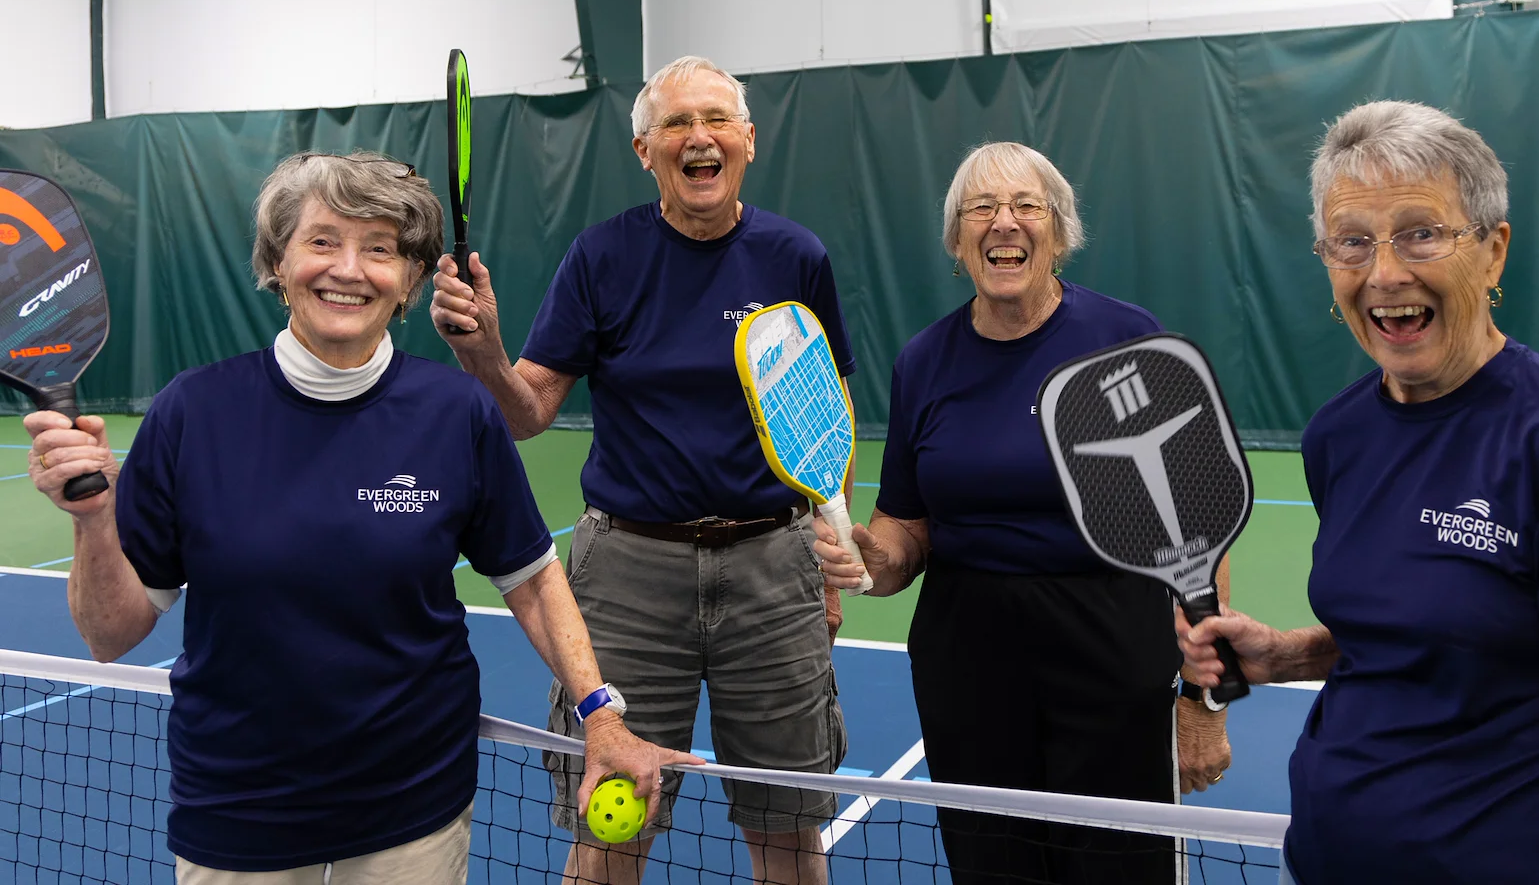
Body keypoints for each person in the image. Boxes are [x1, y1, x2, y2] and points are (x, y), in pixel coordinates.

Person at [26, 151, 683, 885]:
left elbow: (531, 581)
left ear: (407, 280)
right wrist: (92, 521)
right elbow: (110, 635)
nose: (349, 269)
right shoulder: (193, 411)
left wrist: (600, 713)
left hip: (413, 815)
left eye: (380, 250)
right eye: (322, 241)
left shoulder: (456, 411)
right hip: (239, 816)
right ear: (278, 260)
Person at [431, 56, 853, 885]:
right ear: (643, 150)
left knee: (789, 832)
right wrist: (481, 353)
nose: (698, 138)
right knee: (611, 824)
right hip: (627, 575)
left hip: (774, 571)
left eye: (716, 120)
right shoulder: (601, 257)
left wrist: (825, 561)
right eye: (675, 125)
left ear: (748, 142)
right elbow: (528, 414)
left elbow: (820, 408)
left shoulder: (795, 256)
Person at [816, 141, 1231, 885]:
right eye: (980, 208)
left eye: (1024, 206)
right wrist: (869, 560)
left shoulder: (1127, 338)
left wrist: (1204, 697)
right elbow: (906, 526)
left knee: (1120, 869)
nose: (1002, 223)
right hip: (967, 662)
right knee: (992, 869)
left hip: (1111, 652)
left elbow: (1196, 525)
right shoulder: (922, 362)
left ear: (1058, 231)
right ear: (956, 239)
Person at [1181, 101, 1535, 885]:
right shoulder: (1337, 436)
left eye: (1420, 232)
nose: (1383, 274)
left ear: (1492, 251)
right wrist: (1293, 651)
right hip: (1318, 858)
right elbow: (1427, 627)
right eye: (1351, 242)